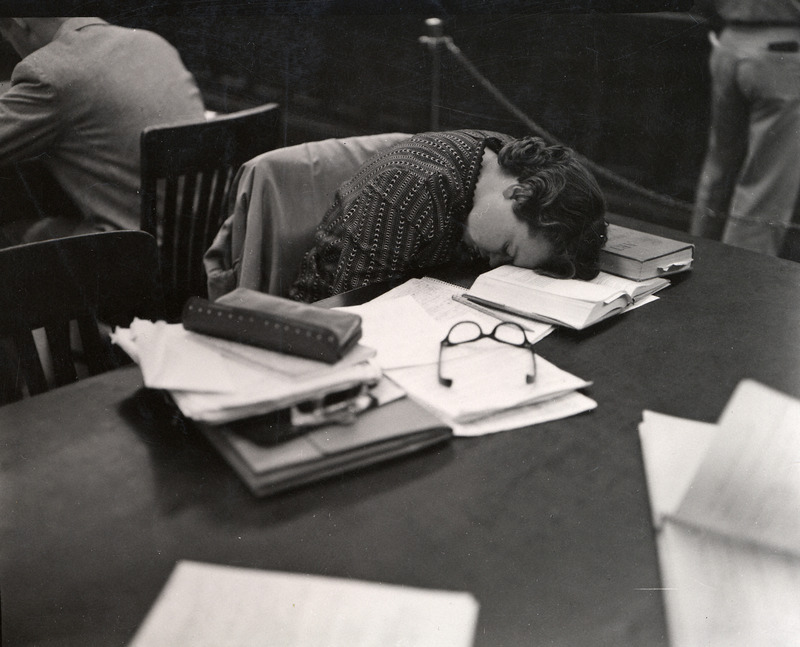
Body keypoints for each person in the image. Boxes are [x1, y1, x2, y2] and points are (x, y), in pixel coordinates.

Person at [290, 130, 607, 303]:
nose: (494, 264)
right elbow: (358, 308)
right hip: (329, 311)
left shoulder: (501, 162)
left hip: (423, 295)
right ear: (518, 192)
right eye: (507, 250)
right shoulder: (410, 187)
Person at [0, 17, 206, 243]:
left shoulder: (48, 72)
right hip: (197, 246)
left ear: (19, 22)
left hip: (131, 252)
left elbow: (56, 85)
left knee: (12, 235)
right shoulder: (153, 43)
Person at [690, 0, 800, 256]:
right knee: (765, 184)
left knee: (719, 166)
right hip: (781, 50)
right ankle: (737, 284)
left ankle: (693, 259)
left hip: (730, 42)